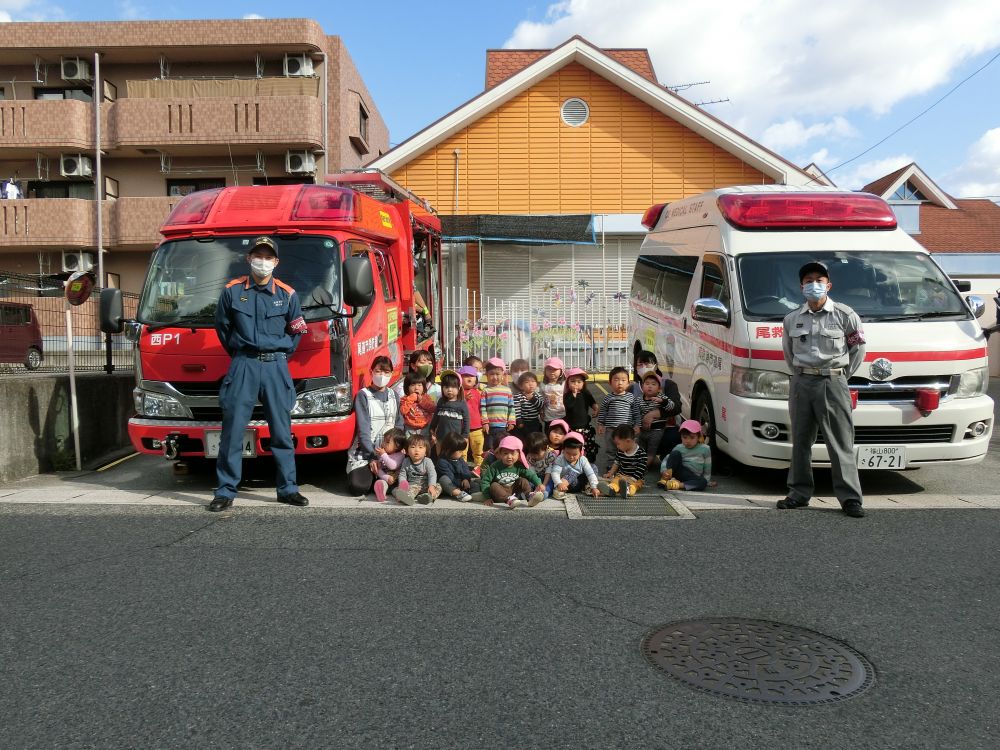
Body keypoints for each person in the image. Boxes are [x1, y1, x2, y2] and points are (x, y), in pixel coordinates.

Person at [209, 236, 308, 512]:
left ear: (276, 262)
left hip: (276, 366)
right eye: (258, 256)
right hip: (244, 365)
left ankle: (288, 489)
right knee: (232, 431)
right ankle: (225, 491)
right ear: (248, 258)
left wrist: (280, 355)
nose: (262, 261)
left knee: (282, 431)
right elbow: (223, 328)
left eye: (268, 257)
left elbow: (297, 330)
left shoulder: (287, 294)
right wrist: (243, 355)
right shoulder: (231, 291)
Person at [778, 260, 866, 518]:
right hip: (802, 382)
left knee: (840, 442)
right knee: (801, 441)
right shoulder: (792, 319)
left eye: (819, 280)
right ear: (801, 286)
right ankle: (799, 493)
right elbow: (789, 353)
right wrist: (802, 375)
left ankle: (850, 498)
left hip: (832, 382)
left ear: (828, 284)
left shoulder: (845, 315)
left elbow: (857, 349)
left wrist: (839, 376)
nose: (813, 285)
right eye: (808, 281)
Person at [346, 356, 404, 495]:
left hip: (390, 454)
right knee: (358, 487)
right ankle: (379, 481)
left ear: (391, 373)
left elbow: (399, 425)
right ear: (371, 371)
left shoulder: (394, 396)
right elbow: (363, 429)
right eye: (378, 371)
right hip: (366, 452)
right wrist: (372, 456)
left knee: (403, 476)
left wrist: (398, 450)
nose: (382, 375)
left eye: (386, 372)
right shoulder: (363, 395)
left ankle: (382, 482)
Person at [595, 367, 641, 473]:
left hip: (626, 430)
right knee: (611, 449)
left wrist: (637, 425)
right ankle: (611, 467)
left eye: (623, 380)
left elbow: (636, 413)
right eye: (616, 380)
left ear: (628, 383)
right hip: (611, 429)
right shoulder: (608, 397)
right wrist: (601, 424)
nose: (620, 383)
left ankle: (626, 466)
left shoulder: (631, 397)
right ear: (610, 383)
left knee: (627, 449)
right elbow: (603, 412)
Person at [479, 435, 545, 508]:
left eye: (513, 453)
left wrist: (539, 483)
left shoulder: (519, 465)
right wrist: (487, 497)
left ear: (519, 455)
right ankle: (509, 499)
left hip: (514, 492)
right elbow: (485, 481)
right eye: (505, 453)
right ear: (500, 454)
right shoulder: (495, 466)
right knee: (494, 485)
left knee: (523, 480)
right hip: (499, 494)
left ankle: (529, 496)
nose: (509, 457)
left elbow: (531, 475)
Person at [658, 420, 714, 491]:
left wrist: (707, 480)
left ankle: (677, 485)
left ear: (699, 436)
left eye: (692, 437)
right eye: (684, 437)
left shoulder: (705, 449)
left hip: (692, 476)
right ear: (681, 437)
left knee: (703, 482)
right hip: (678, 471)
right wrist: (664, 471)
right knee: (675, 453)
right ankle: (665, 479)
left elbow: (707, 466)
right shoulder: (679, 447)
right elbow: (667, 459)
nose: (688, 441)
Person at [598, 424, 648, 498]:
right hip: (622, 476)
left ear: (628, 441)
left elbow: (641, 469)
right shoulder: (620, 451)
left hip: (636, 478)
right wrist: (611, 473)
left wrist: (632, 479)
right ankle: (611, 489)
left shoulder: (641, 453)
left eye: (618, 444)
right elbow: (616, 462)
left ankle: (627, 491)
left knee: (634, 485)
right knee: (615, 481)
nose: (617, 446)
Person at [392, 433, 441, 505]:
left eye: (420, 447)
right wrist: (402, 484)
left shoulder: (428, 461)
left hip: (426, 486)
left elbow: (432, 474)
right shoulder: (406, 461)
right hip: (412, 486)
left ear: (425, 452)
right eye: (413, 447)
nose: (416, 450)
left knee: (439, 486)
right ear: (407, 451)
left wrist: (431, 486)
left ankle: (428, 497)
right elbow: (402, 474)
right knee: (395, 490)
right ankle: (406, 498)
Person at [549, 432, 600, 500]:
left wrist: (594, 487)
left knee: (593, 466)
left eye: (575, 454)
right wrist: (559, 484)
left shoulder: (582, 459)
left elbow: (590, 473)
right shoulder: (560, 459)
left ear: (581, 452)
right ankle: (557, 490)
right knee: (574, 472)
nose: (571, 457)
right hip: (566, 486)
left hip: (580, 483)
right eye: (568, 453)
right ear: (563, 450)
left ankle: (589, 487)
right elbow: (555, 473)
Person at [428, 371, 470, 452]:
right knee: (440, 456)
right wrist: (432, 429)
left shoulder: (462, 403)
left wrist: (465, 436)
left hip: (455, 439)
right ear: (442, 388)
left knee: (453, 456)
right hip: (440, 438)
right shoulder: (441, 401)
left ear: (459, 388)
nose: (449, 390)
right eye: (446, 387)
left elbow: (466, 420)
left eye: (453, 387)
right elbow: (436, 417)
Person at [563, 367, 598, 463]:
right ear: (568, 383)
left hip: (585, 427)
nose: (576, 384)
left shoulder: (585, 393)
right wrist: (573, 395)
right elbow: (569, 406)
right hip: (572, 428)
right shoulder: (567, 395)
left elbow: (592, 402)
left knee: (588, 446)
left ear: (583, 383)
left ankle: (590, 463)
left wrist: (596, 408)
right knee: (575, 447)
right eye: (572, 381)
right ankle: (575, 463)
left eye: (579, 382)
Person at [482, 359, 516, 451]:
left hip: (503, 426)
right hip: (490, 426)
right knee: (489, 447)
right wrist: (485, 422)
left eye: (497, 374)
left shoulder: (507, 390)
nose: (495, 377)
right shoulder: (485, 390)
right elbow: (483, 408)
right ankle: (488, 465)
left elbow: (511, 407)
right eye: (491, 374)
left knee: (502, 446)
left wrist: (511, 421)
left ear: (503, 375)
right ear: (487, 375)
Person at [458, 365, 487, 466]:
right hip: (461, 428)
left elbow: (482, 409)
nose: (469, 378)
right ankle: (463, 467)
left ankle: (479, 468)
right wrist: (463, 398)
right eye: (465, 375)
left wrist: (484, 423)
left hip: (477, 427)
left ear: (476, 379)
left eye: (472, 376)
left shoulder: (479, 393)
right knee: (462, 451)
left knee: (478, 451)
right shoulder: (457, 393)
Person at [437, 432, 476, 502]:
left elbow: (466, 470)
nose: (462, 453)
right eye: (460, 451)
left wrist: (465, 479)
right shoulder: (442, 461)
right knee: (444, 479)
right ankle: (459, 494)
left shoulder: (460, 459)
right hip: (451, 486)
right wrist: (460, 484)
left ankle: (474, 495)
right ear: (449, 450)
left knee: (475, 484)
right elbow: (450, 477)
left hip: (461, 483)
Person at [372, 428, 407, 502]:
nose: (383, 444)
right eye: (383, 441)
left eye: (387, 442)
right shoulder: (383, 455)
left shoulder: (400, 455)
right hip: (386, 480)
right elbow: (378, 470)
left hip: (396, 481)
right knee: (382, 483)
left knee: (396, 490)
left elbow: (393, 466)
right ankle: (381, 493)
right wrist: (386, 477)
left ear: (397, 446)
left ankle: (401, 495)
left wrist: (383, 455)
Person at [513, 370, 545, 439]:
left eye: (533, 381)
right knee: (522, 439)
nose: (531, 384)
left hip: (535, 421)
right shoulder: (518, 396)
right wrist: (519, 421)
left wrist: (532, 399)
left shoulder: (538, 396)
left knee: (535, 439)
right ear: (521, 386)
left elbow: (541, 406)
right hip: (523, 422)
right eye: (527, 382)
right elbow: (517, 409)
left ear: (537, 384)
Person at [540, 356, 566, 426]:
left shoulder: (564, 384)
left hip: (563, 415)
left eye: (555, 369)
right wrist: (541, 412)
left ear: (561, 370)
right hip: (548, 417)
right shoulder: (543, 385)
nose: (552, 372)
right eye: (549, 369)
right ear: (545, 371)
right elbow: (541, 399)